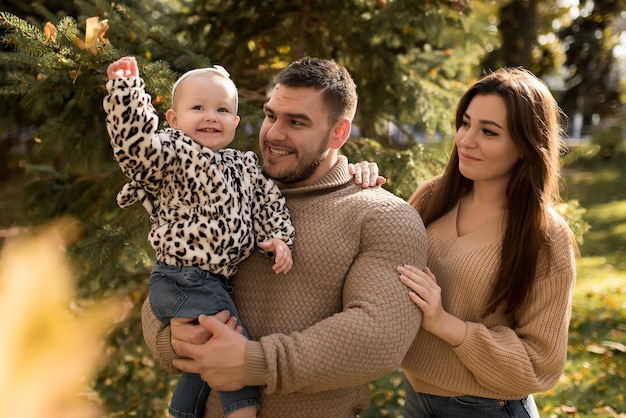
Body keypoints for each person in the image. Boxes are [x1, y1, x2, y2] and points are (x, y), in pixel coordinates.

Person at [141, 57, 428, 417]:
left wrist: (253, 361)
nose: (274, 133)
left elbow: (380, 336)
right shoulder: (228, 187)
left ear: (339, 133)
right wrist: (172, 341)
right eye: (271, 115)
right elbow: (171, 276)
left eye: (296, 122)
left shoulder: (381, 216)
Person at [104, 56, 296, 418]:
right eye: (198, 107)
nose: (211, 116)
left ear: (235, 123)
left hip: (209, 281)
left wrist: (279, 237)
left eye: (222, 109)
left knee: (204, 360)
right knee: (234, 349)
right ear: (174, 121)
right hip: (182, 277)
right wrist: (126, 93)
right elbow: (136, 148)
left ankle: (182, 413)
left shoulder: (244, 166)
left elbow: (269, 200)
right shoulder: (172, 155)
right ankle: (243, 411)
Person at [397, 67, 577, 417]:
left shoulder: (546, 237)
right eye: (465, 124)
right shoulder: (433, 197)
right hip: (417, 397)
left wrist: (445, 324)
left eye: (489, 132)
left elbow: (541, 365)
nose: (466, 140)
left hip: (488, 408)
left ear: (526, 146)